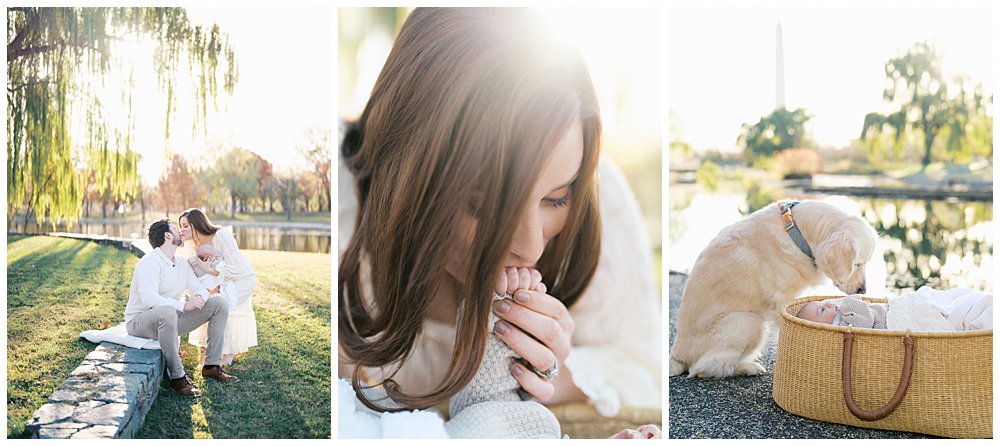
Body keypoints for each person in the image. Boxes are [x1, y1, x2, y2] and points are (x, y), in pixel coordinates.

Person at [339, 7, 660, 437]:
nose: (530, 248)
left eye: (554, 198)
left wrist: (552, 375)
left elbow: (648, 372)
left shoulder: (598, 192)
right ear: (409, 173)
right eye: (481, 207)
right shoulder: (337, 198)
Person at [125, 219, 238, 396]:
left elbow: (198, 287)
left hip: (170, 319)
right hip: (140, 322)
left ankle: (211, 366)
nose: (181, 231)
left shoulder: (181, 262)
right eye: (175, 229)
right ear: (168, 235)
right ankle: (178, 377)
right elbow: (149, 299)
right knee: (168, 311)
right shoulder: (149, 262)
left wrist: (200, 296)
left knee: (219, 303)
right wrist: (183, 305)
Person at [180, 208, 258, 366]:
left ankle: (227, 355)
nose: (182, 230)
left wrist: (212, 276)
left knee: (223, 309)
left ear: (196, 224)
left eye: (186, 226)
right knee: (207, 306)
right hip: (214, 282)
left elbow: (237, 268)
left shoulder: (221, 236)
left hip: (240, 279)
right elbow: (192, 273)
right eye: (180, 226)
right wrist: (204, 289)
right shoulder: (189, 245)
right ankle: (205, 352)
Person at [192, 243, 238, 310]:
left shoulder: (217, 263)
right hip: (209, 285)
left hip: (215, 285)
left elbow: (223, 273)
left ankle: (231, 304)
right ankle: (231, 304)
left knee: (228, 284)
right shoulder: (217, 262)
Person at [796, 296, 887, 329]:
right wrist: (849, 305)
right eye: (823, 309)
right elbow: (866, 322)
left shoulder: (840, 314)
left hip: (884, 310)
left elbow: (860, 299)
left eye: (823, 303)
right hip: (884, 320)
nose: (828, 303)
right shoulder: (843, 327)